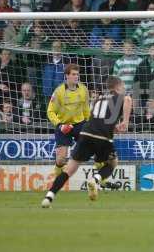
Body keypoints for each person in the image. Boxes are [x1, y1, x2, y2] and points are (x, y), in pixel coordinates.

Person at [41, 76, 132, 208]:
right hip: (102, 138)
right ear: (118, 86)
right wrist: (125, 122)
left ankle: (49, 197)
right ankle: (95, 180)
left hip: (85, 134)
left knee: (69, 170)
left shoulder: (98, 99)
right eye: (122, 86)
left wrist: (115, 127)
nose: (123, 89)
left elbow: (98, 119)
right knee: (112, 163)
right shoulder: (119, 96)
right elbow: (128, 99)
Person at [46, 63, 90, 177]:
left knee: (93, 146)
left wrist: (90, 123)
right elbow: (50, 111)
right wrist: (60, 125)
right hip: (63, 125)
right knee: (61, 159)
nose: (76, 77)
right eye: (74, 74)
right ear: (67, 76)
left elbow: (86, 110)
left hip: (79, 124)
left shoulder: (83, 89)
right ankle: (58, 173)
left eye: (77, 74)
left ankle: (101, 179)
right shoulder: (59, 92)